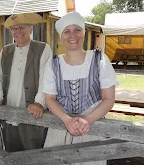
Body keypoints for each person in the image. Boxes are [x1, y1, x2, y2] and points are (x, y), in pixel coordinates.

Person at [43, 12, 119, 165]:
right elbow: (49, 98)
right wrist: (67, 119)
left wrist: (88, 120)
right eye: (67, 31)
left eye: (77, 29)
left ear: (84, 32)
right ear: (61, 36)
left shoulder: (99, 59)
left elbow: (109, 98)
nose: (73, 35)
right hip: (61, 128)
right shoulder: (53, 63)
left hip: (92, 128)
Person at [0, 13, 52, 152]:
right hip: (9, 112)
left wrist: (39, 103)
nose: (18, 31)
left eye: (22, 27)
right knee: (10, 152)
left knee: (34, 153)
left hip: (33, 114)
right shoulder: (6, 51)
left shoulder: (42, 48)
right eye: (14, 28)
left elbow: (47, 78)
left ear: (30, 30)